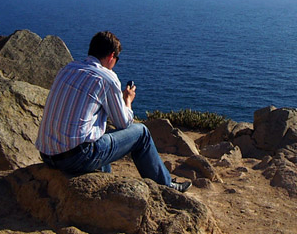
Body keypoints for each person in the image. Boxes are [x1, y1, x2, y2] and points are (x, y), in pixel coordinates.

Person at [35, 31, 191, 193]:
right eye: (117, 59)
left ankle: (103, 184)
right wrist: (128, 101)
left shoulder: (68, 68)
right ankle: (166, 186)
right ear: (111, 56)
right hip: (75, 158)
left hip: (47, 154)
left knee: (99, 136)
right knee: (141, 133)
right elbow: (123, 123)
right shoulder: (107, 78)